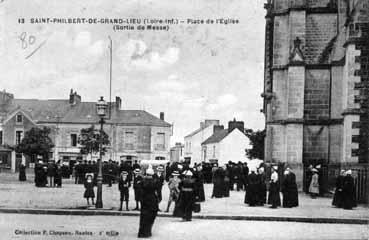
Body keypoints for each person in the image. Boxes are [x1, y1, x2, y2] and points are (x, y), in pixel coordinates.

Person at [138, 167, 159, 238]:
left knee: (144, 217)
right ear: (152, 175)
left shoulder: (142, 181)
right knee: (151, 216)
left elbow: (140, 191)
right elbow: (157, 191)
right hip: (152, 200)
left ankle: (142, 232)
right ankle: (148, 231)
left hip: (144, 201)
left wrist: (141, 199)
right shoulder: (155, 181)